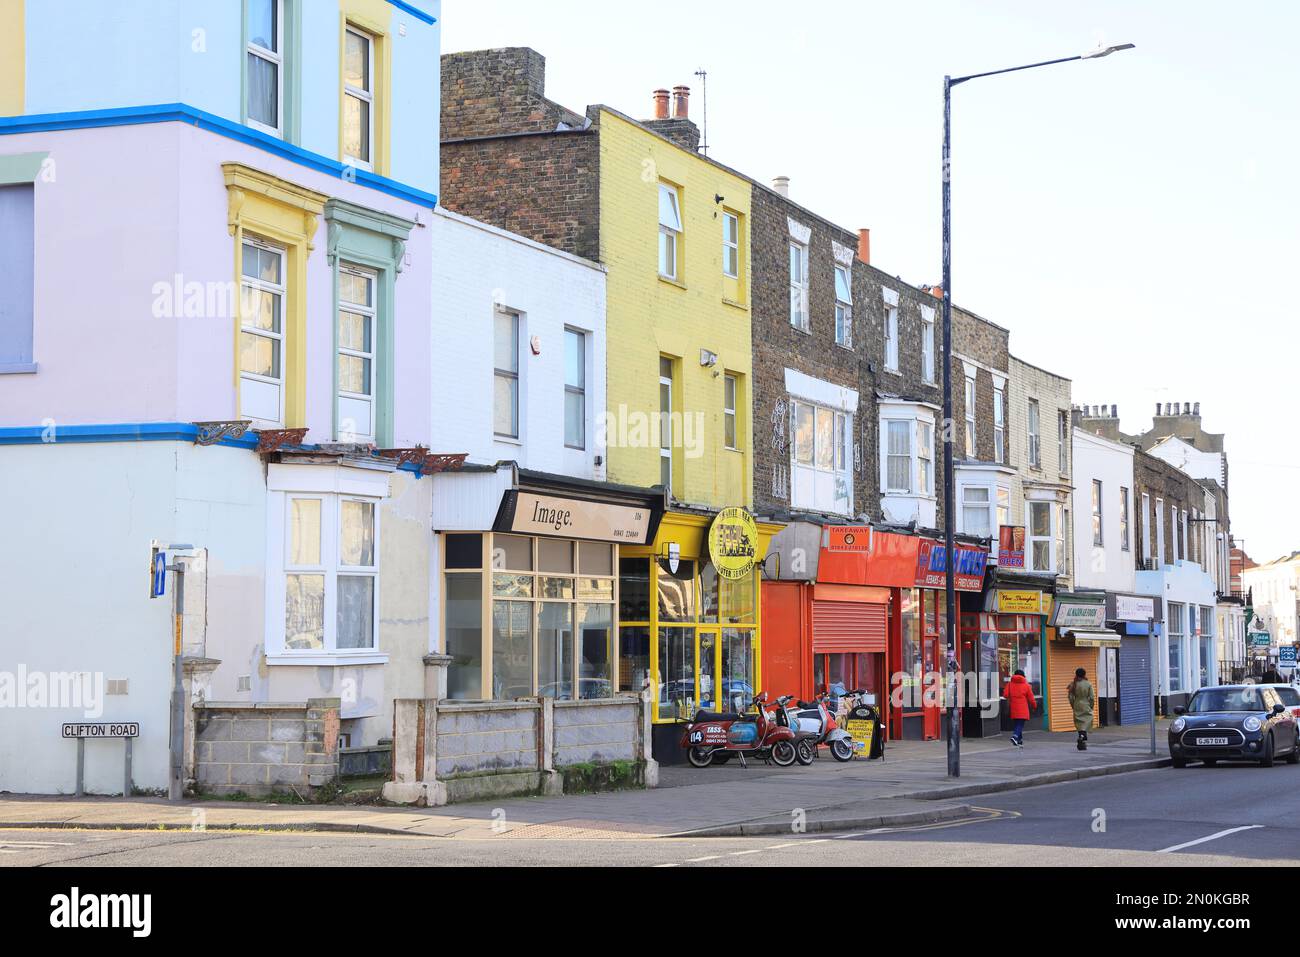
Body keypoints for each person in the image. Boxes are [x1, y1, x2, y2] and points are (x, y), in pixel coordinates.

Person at [1003, 669, 1036, 747]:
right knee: (1020, 724)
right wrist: (1034, 706)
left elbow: (1005, 695)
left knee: (1017, 724)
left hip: (1013, 707)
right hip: (1023, 708)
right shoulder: (1026, 685)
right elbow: (1031, 698)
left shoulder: (1010, 684)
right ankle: (1015, 736)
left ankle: (1019, 741)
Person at [1068, 667, 1096, 751]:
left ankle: (1081, 737)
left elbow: (1070, 697)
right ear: (1084, 674)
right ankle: (1083, 737)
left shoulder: (1073, 684)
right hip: (1086, 704)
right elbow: (1092, 697)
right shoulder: (1088, 684)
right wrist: (1091, 706)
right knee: (1086, 722)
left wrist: (1073, 705)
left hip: (1077, 704)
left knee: (1079, 723)